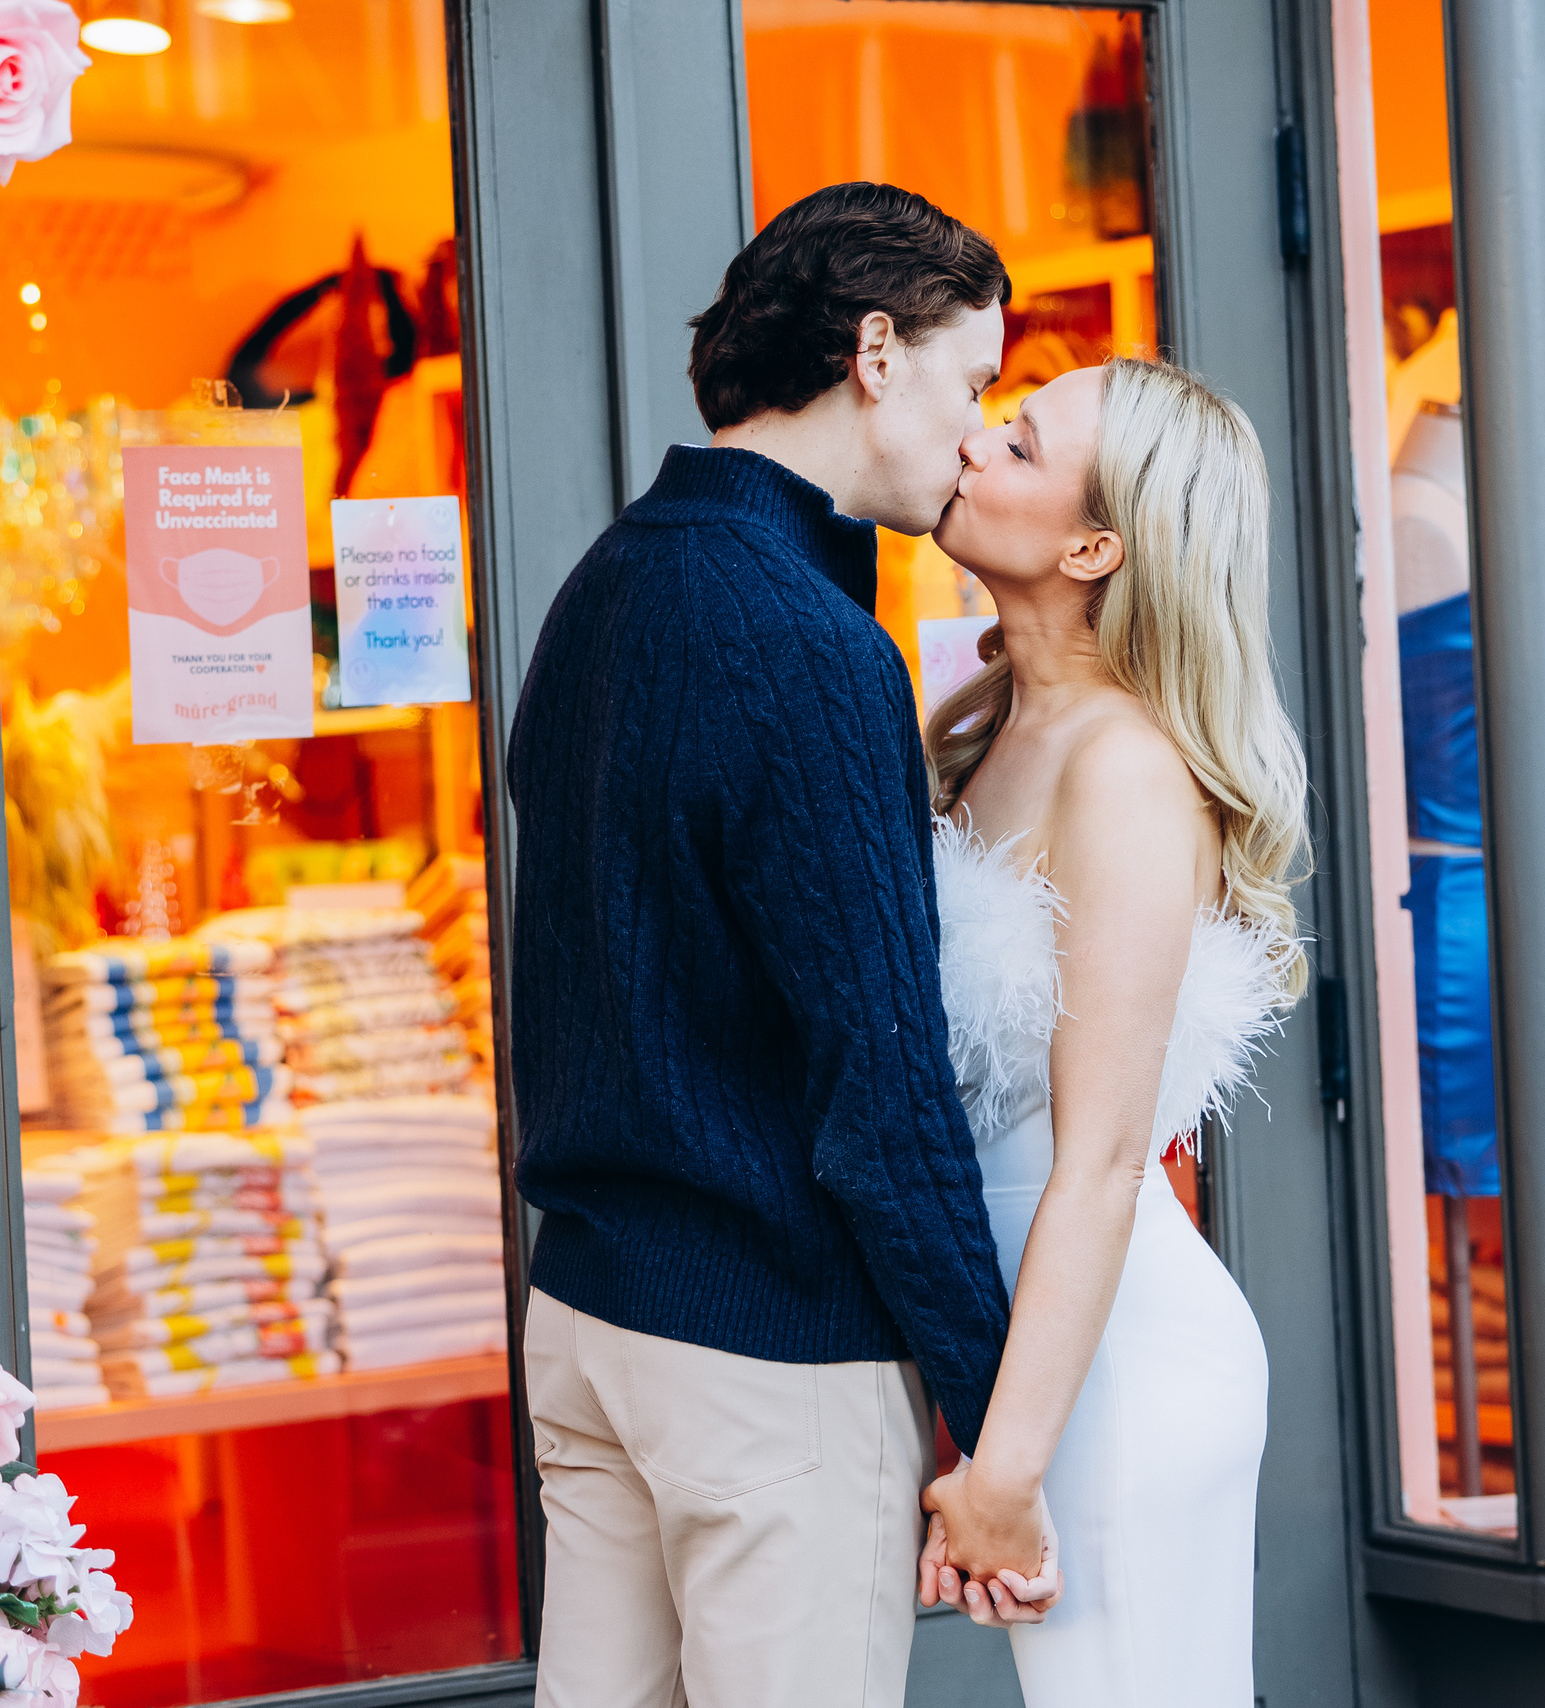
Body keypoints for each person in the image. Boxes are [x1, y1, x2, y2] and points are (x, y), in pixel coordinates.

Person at [506, 182, 1043, 1708]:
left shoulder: (609, 583)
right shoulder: (809, 648)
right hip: (767, 1354)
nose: (973, 431)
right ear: (878, 352)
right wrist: (995, 1420)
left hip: (594, 1320)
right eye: (973, 379)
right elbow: (883, 1094)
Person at [914, 355, 1309, 1704]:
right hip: (1040, 1357)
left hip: (1120, 1370)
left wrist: (1006, 1460)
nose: (973, 446)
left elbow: (1100, 1157)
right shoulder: (986, 733)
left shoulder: (1126, 769)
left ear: (1094, 545)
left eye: (1019, 446)